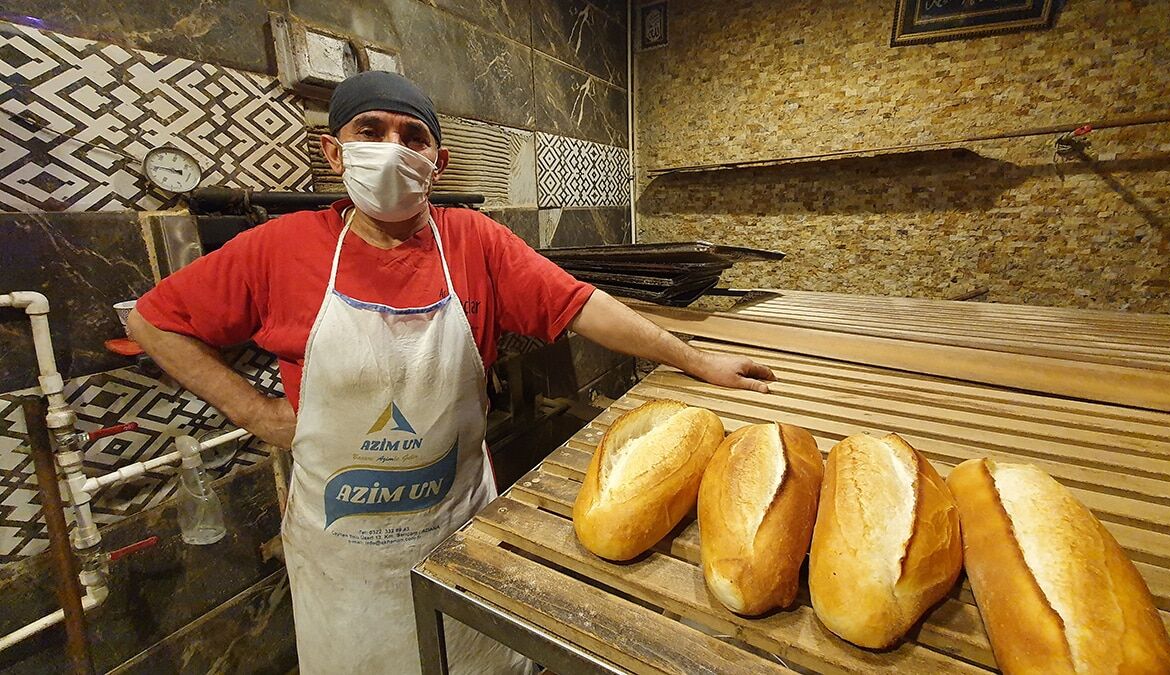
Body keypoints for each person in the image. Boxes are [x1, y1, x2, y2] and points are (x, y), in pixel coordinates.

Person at [128, 71, 774, 673]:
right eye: (370, 132)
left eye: (412, 137)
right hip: (343, 546)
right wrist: (253, 412)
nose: (392, 148)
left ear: (437, 164)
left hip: (453, 518)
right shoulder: (280, 246)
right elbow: (152, 321)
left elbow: (582, 304)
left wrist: (696, 360)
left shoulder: (471, 238)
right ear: (333, 152)